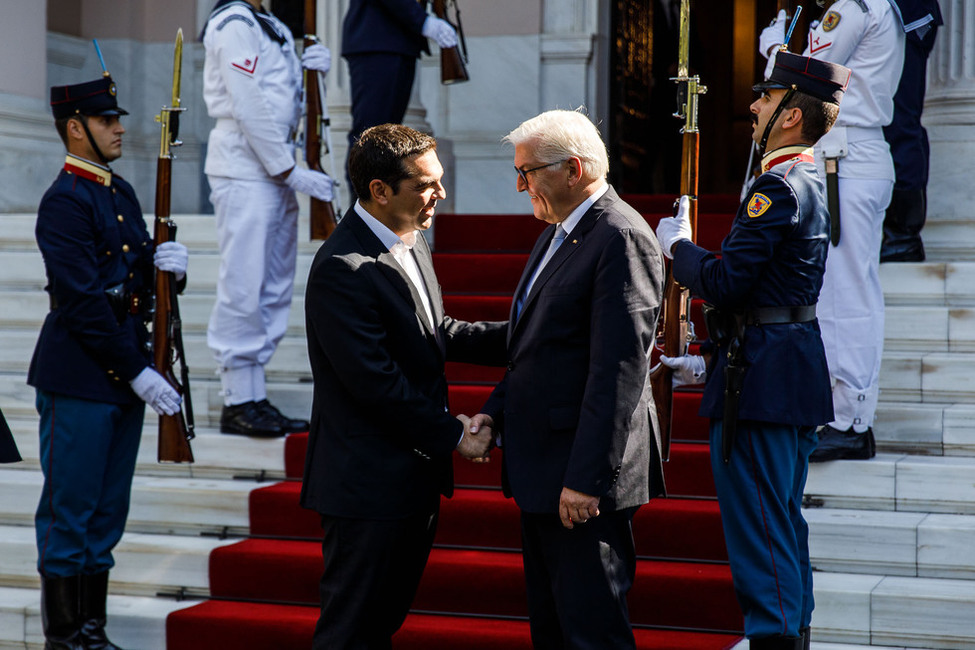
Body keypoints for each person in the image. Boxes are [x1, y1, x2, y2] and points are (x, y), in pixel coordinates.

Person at [656, 52, 850, 649]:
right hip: (779, 368)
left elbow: (727, 282)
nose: (754, 105)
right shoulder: (808, 178)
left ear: (791, 115)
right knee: (782, 526)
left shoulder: (777, 186)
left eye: (766, 98)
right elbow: (767, 293)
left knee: (761, 532)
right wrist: (708, 355)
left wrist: (680, 249)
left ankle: (777, 639)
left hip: (763, 381)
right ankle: (792, 634)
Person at [300, 123, 507, 649]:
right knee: (351, 632)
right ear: (379, 190)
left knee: (381, 625)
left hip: (409, 480)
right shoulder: (342, 268)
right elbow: (375, 383)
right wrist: (454, 435)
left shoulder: (410, 241)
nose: (440, 194)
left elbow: (437, 333)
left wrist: (532, 335)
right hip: (366, 487)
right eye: (426, 185)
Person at [468, 109, 665, 649]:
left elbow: (618, 370)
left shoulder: (619, 235)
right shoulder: (563, 229)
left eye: (527, 172)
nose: (519, 184)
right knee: (554, 630)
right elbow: (537, 344)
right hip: (544, 471)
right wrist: (495, 411)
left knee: (591, 633)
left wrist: (586, 479)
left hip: (580, 481)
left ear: (572, 168)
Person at [29, 74, 188, 650]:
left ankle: (91, 633)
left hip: (119, 379)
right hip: (79, 376)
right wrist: (140, 370)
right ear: (76, 129)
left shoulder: (118, 193)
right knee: (70, 514)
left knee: (106, 515)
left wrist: (172, 268)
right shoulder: (64, 201)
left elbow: (139, 281)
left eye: (117, 119)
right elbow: (82, 305)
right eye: (106, 120)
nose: (120, 127)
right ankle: (65, 638)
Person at [761, 0, 905, 461]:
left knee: (848, 296)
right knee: (839, 294)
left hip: (848, 160)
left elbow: (805, 73)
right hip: (846, 157)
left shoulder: (853, 7)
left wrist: (773, 41)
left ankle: (852, 419)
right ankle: (841, 411)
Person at [202, 0, 334, 437]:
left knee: (274, 286)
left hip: (275, 168)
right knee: (245, 283)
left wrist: (315, 74)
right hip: (246, 167)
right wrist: (288, 168)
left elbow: (282, 97)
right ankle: (238, 400)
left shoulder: (270, 23)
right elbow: (248, 103)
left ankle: (254, 395)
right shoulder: (234, 22)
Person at [341, 0, 459, 202]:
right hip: (379, 40)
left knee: (384, 140)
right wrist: (423, 21)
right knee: (370, 137)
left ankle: (377, 212)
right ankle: (362, 212)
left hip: (398, 42)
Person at [881, 0, 943, 262]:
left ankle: (902, 236)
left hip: (903, 15)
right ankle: (897, 235)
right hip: (891, 16)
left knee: (900, 123)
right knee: (897, 122)